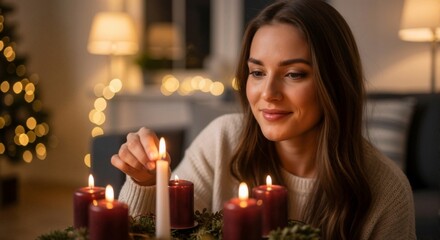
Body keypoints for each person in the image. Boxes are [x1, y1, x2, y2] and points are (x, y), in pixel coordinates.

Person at [111, 0, 416, 239]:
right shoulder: (222, 141)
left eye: (294, 74)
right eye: (257, 72)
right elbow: (150, 230)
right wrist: (146, 183)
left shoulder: (385, 189)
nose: (268, 93)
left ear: (334, 82)